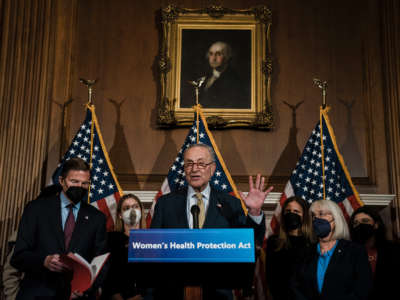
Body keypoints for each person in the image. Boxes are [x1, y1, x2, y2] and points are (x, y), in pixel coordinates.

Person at [150, 143, 273, 299]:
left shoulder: (231, 203)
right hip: (172, 294)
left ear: (213, 168)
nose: (194, 169)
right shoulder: (165, 203)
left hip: (218, 294)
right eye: (189, 164)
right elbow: (152, 255)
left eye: (201, 163)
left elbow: (250, 245)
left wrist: (254, 212)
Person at [11, 158, 108, 300]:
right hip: (38, 294)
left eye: (84, 183)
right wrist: (44, 261)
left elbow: (101, 263)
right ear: (62, 181)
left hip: (77, 296)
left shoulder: (97, 218)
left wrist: (86, 289)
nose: (79, 187)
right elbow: (18, 256)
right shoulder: (36, 209)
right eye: (74, 182)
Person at [290, 199, 372, 300]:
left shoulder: (355, 251)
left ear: (335, 218)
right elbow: (296, 287)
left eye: (321, 214)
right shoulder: (304, 252)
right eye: (313, 216)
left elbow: (362, 290)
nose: (316, 219)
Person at [265, 196, 312, 300]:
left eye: (296, 211)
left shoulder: (313, 243)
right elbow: (271, 278)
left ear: (304, 216)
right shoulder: (274, 242)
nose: (291, 214)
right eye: (288, 211)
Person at [101, 193, 146, 300]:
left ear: (141, 211)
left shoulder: (152, 240)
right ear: (120, 215)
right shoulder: (110, 239)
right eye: (126, 208)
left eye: (135, 206)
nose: (132, 210)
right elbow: (107, 277)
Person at [349, 206, 400, 300]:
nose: (360, 225)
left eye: (365, 221)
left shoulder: (394, 251)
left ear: (376, 224)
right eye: (356, 223)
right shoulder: (347, 252)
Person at [196, 41, 250, 109]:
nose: (213, 58)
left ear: (227, 57)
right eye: (211, 54)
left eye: (218, 54)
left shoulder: (234, 80)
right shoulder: (206, 76)